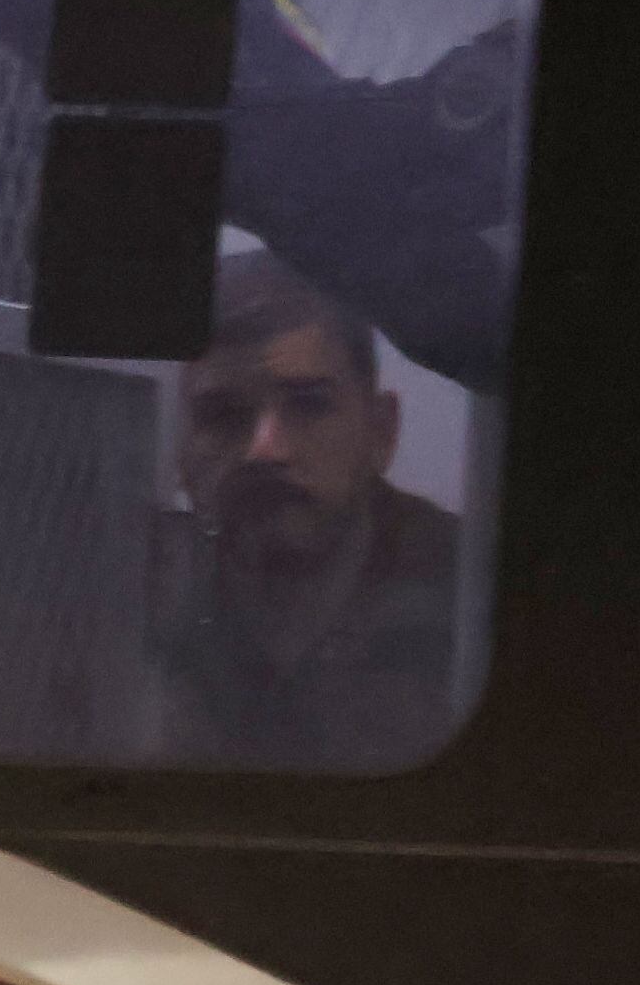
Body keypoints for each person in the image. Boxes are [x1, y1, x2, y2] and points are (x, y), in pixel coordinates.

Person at [144, 248, 461, 770]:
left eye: (309, 404)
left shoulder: (475, 597)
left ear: (381, 431)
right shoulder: (133, 585)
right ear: (177, 448)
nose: (265, 449)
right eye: (223, 414)